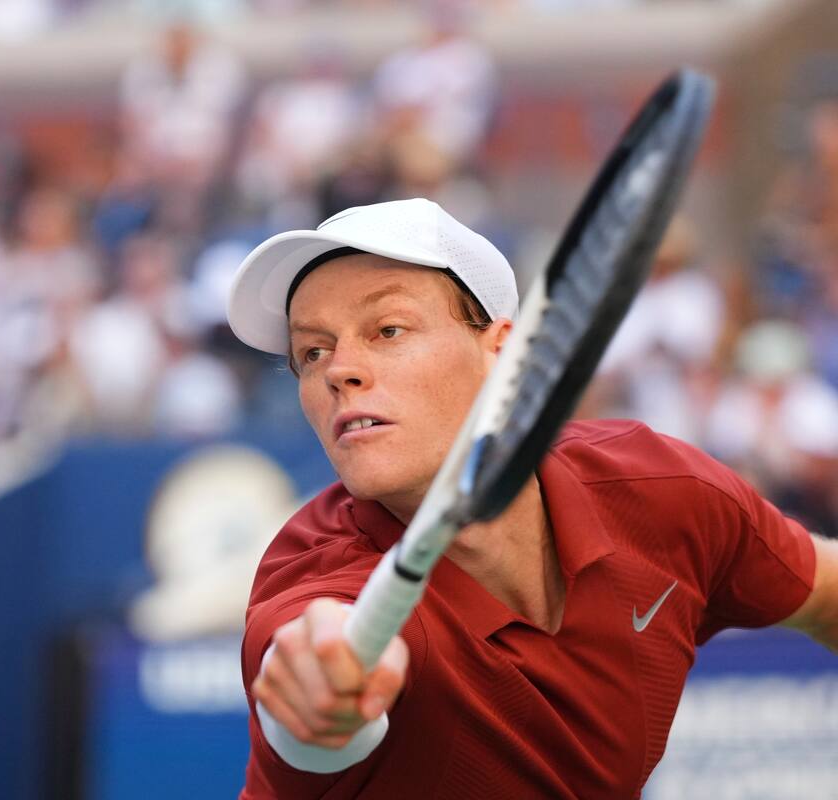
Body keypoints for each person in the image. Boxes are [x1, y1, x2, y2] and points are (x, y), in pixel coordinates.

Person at [224, 198, 838, 798]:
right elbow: (306, 680)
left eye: (388, 329)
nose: (337, 370)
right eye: (312, 351)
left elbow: (826, 594)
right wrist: (321, 690)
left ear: (502, 353)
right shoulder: (313, 579)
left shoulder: (663, 492)